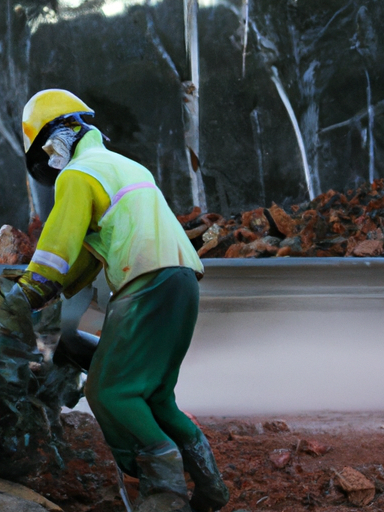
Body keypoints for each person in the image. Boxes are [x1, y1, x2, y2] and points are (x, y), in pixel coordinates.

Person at [1, 89, 229, 512]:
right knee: (157, 395)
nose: (52, 165)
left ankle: (165, 495)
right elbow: (87, 259)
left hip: (145, 283)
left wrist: (19, 298)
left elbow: (55, 254)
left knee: (110, 392)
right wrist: (50, 288)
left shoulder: (79, 174)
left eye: (48, 153)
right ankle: (211, 488)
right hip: (182, 281)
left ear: (58, 136)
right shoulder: (127, 168)